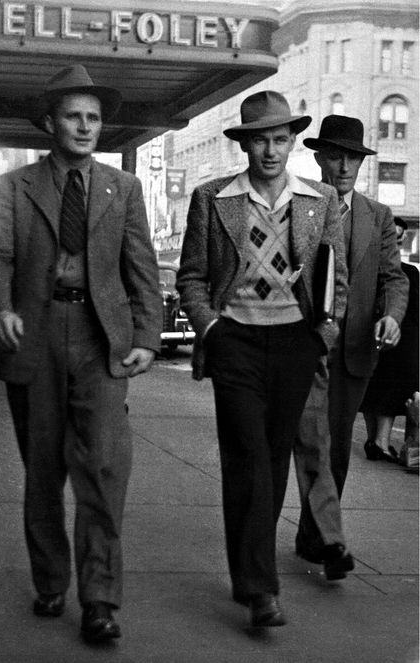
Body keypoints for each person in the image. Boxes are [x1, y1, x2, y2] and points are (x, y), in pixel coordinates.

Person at [0, 65, 161, 644]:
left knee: (104, 469)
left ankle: (101, 600)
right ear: (51, 122)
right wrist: (1, 308)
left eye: (94, 118)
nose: (85, 127)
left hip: (101, 334)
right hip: (33, 332)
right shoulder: (14, 187)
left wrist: (149, 339)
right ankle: (51, 580)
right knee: (44, 470)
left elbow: (142, 268)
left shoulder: (123, 189)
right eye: (75, 116)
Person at [176, 91, 348, 629]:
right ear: (245, 143)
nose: (270, 151)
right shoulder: (212, 197)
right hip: (237, 344)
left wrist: (323, 334)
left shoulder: (319, 199)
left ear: (293, 141)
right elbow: (192, 277)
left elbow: (334, 279)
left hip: (295, 343)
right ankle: (260, 590)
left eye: (279, 139)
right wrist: (212, 329)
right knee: (250, 455)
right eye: (260, 140)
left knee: (271, 461)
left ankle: (247, 570)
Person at [293, 115, 409, 571]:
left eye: (353, 158)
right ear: (319, 157)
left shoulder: (377, 216)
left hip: (351, 351)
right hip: (297, 345)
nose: (344, 166)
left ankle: (318, 538)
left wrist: (392, 317)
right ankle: (317, 537)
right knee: (289, 444)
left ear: (361, 164)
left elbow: (393, 279)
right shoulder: (296, 204)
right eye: (336, 156)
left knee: (334, 448)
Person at [360, 217, 419, 461]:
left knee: (377, 389)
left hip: (384, 336)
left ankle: (375, 440)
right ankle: (380, 442)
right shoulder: (406, 272)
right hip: (399, 338)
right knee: (391, 390)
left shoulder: (371, 269)